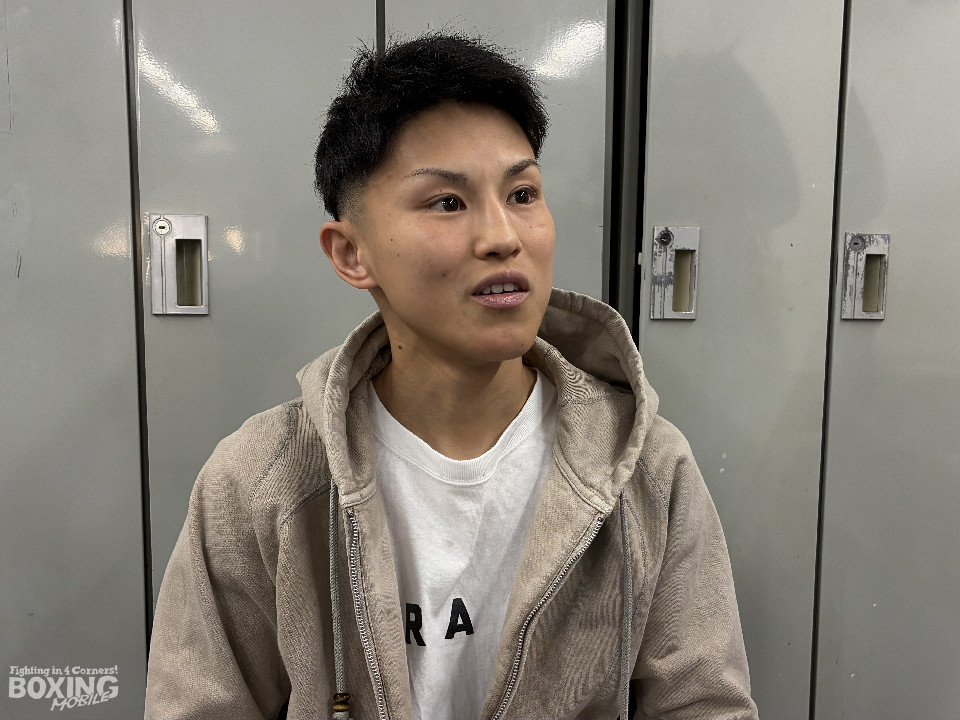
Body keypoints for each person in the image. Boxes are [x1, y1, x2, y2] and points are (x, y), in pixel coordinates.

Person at [144, 33, 758, 720]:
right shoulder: (261, 483)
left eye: (522, 193)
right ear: (351, 254)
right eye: (446, 202)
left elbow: (702, 705)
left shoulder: (646, 470)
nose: (503, 237)